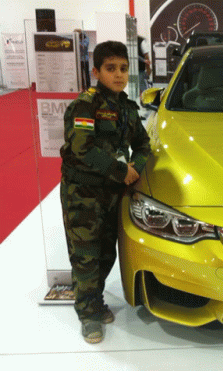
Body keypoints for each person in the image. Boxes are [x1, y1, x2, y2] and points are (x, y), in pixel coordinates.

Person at [60, 40, 151, 344]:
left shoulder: (126, 107)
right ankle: (87, 314)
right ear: (96, 71)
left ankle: (95, 301)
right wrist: (120, 171)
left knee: (106, 253)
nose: (119, 74)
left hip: (113, 193)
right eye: (111, 68)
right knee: (85, 255)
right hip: (82, 193)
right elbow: (81, 147)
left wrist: (135, 167)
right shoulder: (85, 105)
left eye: (123, 68)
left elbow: (142, 144)